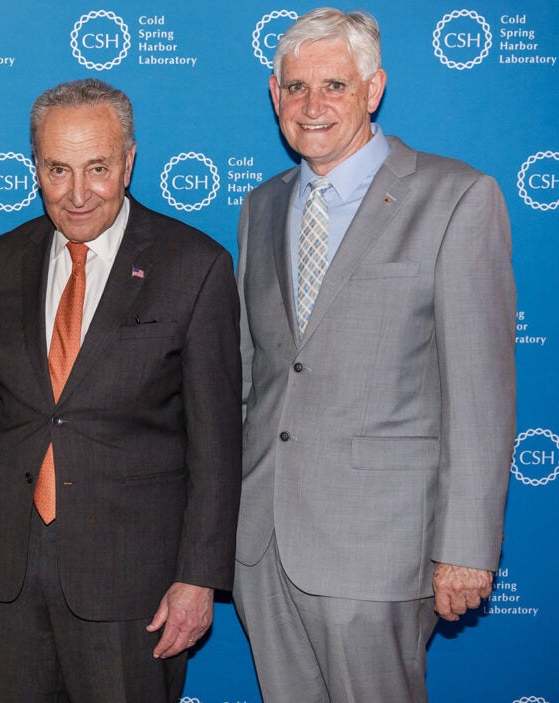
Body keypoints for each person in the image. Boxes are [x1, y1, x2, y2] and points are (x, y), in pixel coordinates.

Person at [234, 8, 516, 701]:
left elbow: (480, 394)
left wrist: (467, 547)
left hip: (378, 544)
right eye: (295, 87)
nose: (312, 105)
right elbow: (252, 375)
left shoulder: (456, 198)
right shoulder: (260, 206)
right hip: (262, 544)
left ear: (373, 88)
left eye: (333, 84)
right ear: (274, 97)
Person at [0, 78, 242, 702]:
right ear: (36, 168)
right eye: (58, 169)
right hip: (11, 566)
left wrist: (199, 579)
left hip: (135, 580)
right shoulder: (1, 260)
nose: (77, 193)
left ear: (129, 161)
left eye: (98, 168)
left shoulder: (194, 264)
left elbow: (216, 443)